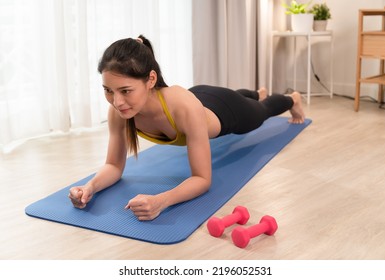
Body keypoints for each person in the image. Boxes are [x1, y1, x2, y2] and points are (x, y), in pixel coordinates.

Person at [68, 35, 305, 221]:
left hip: (225, 111)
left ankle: (291, 99)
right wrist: (90, 187)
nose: (116, 101)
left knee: (259, 112)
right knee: (244, 98)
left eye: (126, 90)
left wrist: (162, 200)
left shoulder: (182, 107)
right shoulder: (119, 112)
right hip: (200, 97)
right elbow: (113, 165)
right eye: (108, 90)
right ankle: (253, 93)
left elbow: (202, 178)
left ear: (150, 80)